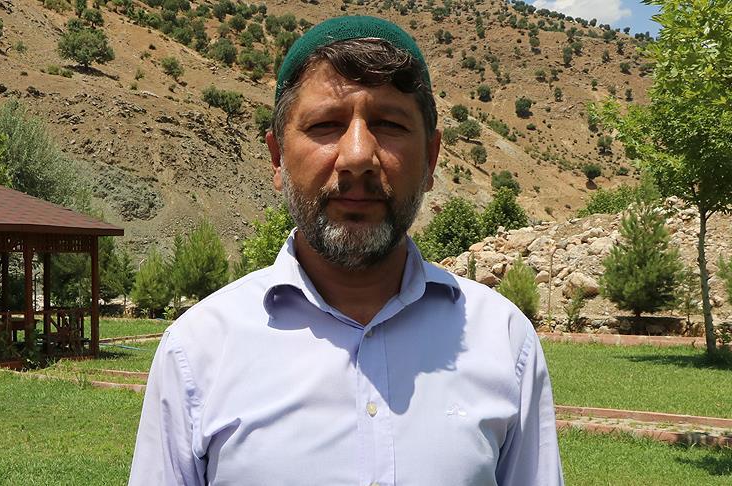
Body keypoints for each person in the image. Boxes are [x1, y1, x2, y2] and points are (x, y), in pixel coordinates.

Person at [130, 16, 563, 486]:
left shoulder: (504, 341)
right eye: (326, 125)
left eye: (389, 124)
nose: (358, 156)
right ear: (277, 158)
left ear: (431, 159)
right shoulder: (196, 351)